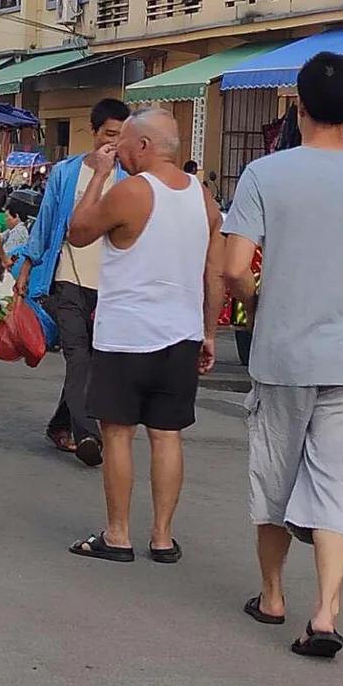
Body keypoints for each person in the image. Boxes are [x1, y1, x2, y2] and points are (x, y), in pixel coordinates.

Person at [224, 52, 343, 658]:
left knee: (274, 474)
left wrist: (258, 297)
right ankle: (326, 612)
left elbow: (233, 270)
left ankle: (273, 595)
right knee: (338, 483)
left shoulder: (264, 175)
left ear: (297, 106)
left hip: (281, 352)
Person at [66, 108, 223, 565]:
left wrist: (98, 175)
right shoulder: (204, 198)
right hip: (183, 334)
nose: (122, 153)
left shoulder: (132, 190)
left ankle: (117, 534)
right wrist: (209, 333)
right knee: (167, 435)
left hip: (128, 335)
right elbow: (214, 273)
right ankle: (162, 536)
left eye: (127, 144)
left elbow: (78, 232)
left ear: (146, 146)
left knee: (117, 434)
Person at [14, 99, 131, 467]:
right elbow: (47, 221)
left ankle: (60, 423)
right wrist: (26, 266)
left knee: (94, 360)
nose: (115, 142)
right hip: (67, 276)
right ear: (95, 133)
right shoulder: (67, 173)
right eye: (110, 134)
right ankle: (87, 433)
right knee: (77, 355)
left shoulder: (131, 179)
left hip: (112, 282)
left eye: (122, 136)